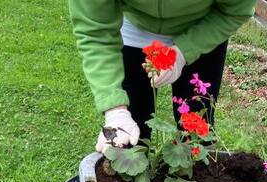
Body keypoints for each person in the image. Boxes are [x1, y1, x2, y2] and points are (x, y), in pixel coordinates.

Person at [68, 0, 256, 153]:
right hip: (134, 28)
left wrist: (184, 51)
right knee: (130, 133)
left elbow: (235, 11)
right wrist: (114, 110)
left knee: (196, 129)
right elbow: (94, 31)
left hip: (203, 28)